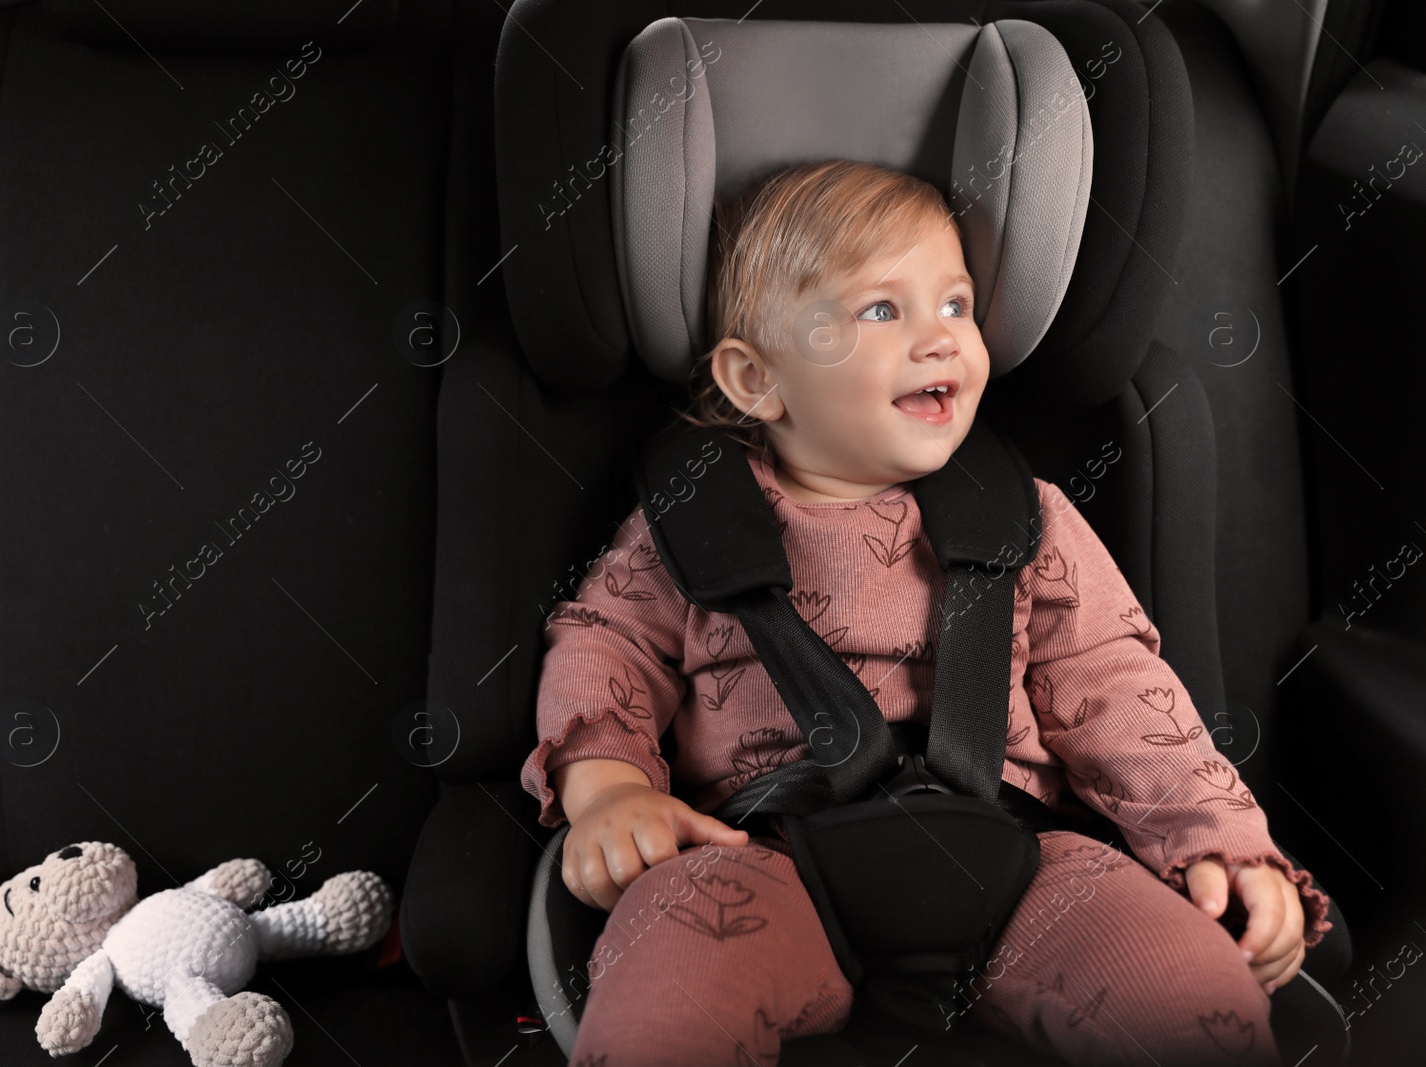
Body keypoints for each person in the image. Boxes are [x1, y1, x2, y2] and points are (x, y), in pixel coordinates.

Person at [520, 159, 1331, 1067]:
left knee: (1198, 997)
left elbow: (1118, 686)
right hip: (764, 856)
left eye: (955, 305)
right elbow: (606, 650)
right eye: (881, 311)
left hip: (1020, 855)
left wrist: (1220, 842)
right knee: (665, 996)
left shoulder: (1026, 516)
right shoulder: (688, 525)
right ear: (756, 379)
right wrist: (612, 791)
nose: (942, 339)